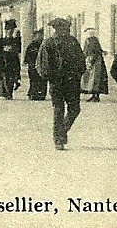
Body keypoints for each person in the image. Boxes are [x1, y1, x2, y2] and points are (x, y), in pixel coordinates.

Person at [36, 18, 87, 150]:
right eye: (63, 29)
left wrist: (79, 74)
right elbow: (42, 64)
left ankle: (61, 132)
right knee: (58, 110)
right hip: (56, 83)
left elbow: (81, 59)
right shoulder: (48, 43)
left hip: (72, 82)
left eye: (66, 29)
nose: (66, 31)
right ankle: (58, 139)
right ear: (57, 29)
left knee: (75, 109)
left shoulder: (73, 42)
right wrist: (50, 77)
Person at [80, 29, 109, 103]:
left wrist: (90, 61)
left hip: (94, 61)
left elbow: (92, 51)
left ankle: (95, 96)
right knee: (94, 79)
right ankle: (94, 96)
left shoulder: (89, 41)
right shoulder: (94, 40)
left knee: (94, 79)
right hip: (96, 60)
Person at [24, 29, 48, 101]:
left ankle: (41, 94)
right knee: (34, 81)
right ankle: (33, 94)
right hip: (33, 66)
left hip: (42, 66)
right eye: (39, 35)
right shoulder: (32, 45)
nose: (41, 37)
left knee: (42, 80)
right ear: (35, 36)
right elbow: (27, 55)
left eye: (42, 35)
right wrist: (30, 63)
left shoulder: (44, 45)